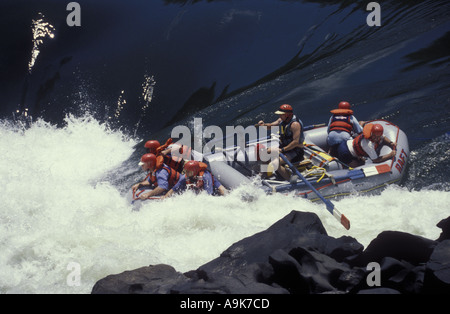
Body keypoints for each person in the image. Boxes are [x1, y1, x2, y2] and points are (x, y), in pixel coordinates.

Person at [257, 104, 304, 180]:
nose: (279, 116)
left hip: (295, 152)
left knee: (275, 163)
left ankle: (289, 180)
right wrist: (263, 125)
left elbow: (295, 142)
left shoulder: (295, 125)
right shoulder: (281, 120)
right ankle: (263, 173)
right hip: (284, 149)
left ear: (287, 115)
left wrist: (282, 150)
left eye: (281, 114)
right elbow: (271, 125)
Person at [162, 160, 226, 199]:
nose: (185, 173)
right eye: (186, 171)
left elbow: (208, 194)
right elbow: (174, 189)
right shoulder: (185, 177)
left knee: (222, 191)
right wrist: (165, 197)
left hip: (213, 185)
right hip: (198, 188)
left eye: (188, 171)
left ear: (194, 171)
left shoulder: (205, 177)